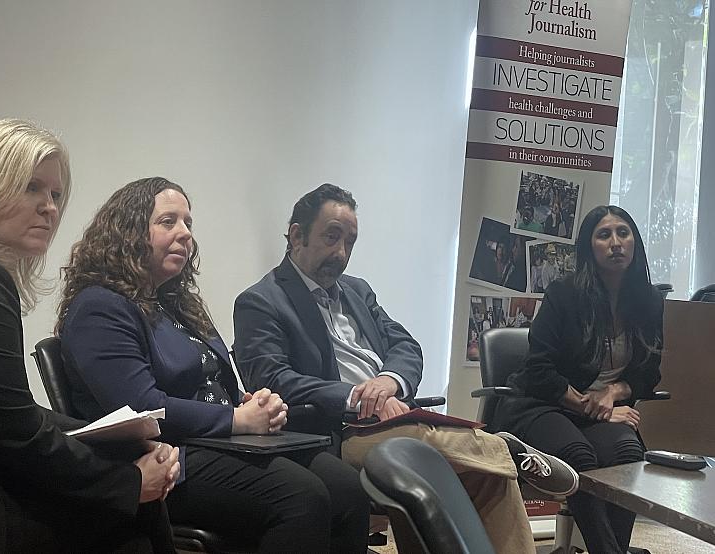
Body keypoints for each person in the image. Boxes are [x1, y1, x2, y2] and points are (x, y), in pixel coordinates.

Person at [233, 183, 579, 554]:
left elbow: (405, 345)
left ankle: (500, 458)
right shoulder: (261, 301)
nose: (341, 253)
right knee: (428, 444)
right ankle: (503, 449)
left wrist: (388, 381)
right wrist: (359, 397)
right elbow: (271, 378)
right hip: (338, 429)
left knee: (490, 478)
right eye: (332, 237)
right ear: (297, 235)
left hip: (393, 414)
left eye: (350, 241)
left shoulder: (357, 291)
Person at [56, 177, 369, 554]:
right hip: (166, 455)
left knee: (347, 488)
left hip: (220, 441)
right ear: (128, 230)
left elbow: (212, 381)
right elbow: (140, 406)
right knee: (303, 496)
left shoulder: (176, 303)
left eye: (188, 223)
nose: (185, 233)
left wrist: (249, 402)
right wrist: (237, 419)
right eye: (168, 221)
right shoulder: (100, 307)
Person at [0, 120, 179, 553]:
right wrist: (129, 482)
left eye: (55, 194)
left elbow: (7, 412)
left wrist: (116, 435)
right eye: (31, 187)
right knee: (130, 511)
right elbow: (15, 434)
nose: (49, 207)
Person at [493, 205, 664, 554]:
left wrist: (613, 392)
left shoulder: (649, 300)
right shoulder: (564, 294)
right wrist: (594, 408)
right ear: (589, 248)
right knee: (579, 457)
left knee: (630, 456)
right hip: (542, 404)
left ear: (635, 242)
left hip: (601, 412)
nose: (616, 242)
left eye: (623, 233)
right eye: (604, 235)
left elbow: (648, 374)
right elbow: (540, 372)